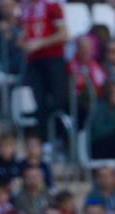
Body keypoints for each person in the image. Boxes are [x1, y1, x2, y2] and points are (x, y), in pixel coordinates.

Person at [19, 0, 69, 141]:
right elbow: (25, 32)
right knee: (38, 102)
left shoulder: (52, 6)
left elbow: (64, 34)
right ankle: (44, 140)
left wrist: (40, 43)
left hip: (53, 59)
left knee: (57, 101)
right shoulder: (25, 7)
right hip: (33, 61)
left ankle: (62, 138)